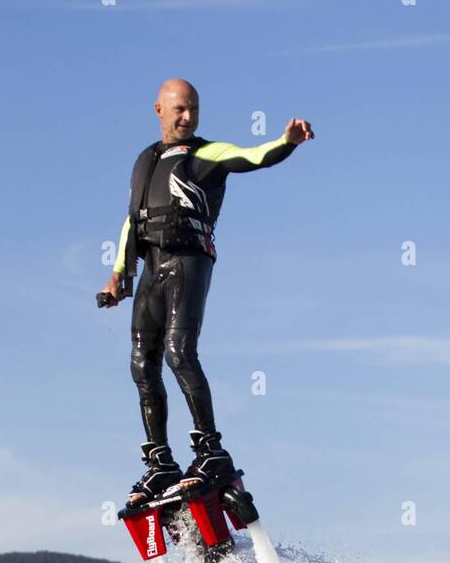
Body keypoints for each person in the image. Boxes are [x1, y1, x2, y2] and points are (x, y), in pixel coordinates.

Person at [99, 79, 314, 504]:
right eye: (179, 109)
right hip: (152, 270)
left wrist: (286, 142)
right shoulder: (144, 160)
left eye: (194, 109)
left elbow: (253, 156)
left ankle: (210, 450)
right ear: (159, 109)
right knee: (142, 362)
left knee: (180, 351)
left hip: (189, 263)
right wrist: (118, 271)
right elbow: (132, 220)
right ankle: (161, 464)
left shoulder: (206, 154)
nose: (187, 117)